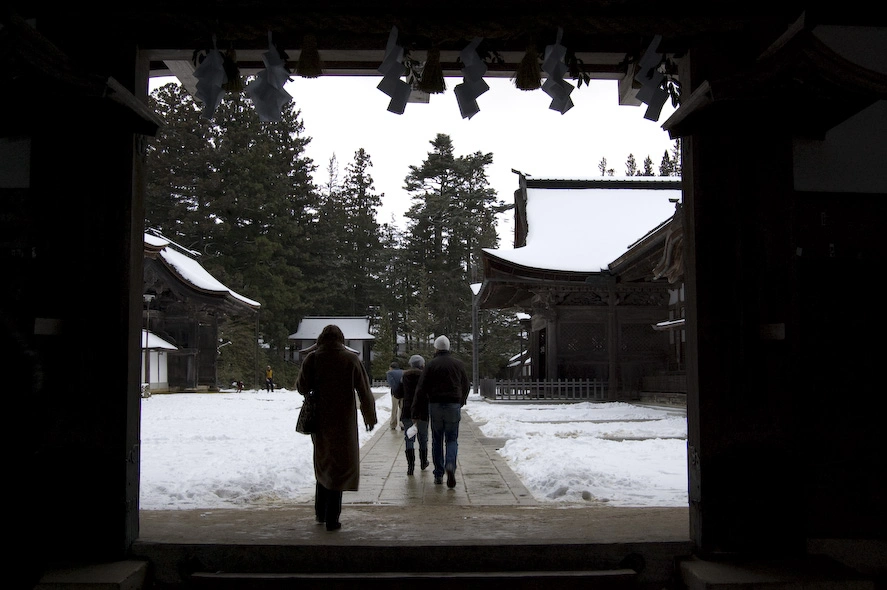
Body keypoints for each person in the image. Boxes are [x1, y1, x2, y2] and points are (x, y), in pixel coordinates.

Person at [295, 324, 377, 531]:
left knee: (323, 461)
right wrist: (369, 417)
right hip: (344, 420)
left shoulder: (312, 359)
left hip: (320, 420)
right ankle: (333, 517)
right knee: (339, 465)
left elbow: (301, 387)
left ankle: (320, 512)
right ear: (341, 339)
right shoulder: (350, 359)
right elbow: (364, 391)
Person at [414, 335, 470, 488]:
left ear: (436, 348)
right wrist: (461, 400)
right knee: (452, 439)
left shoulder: (431, 365)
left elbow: (421, 387)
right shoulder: (458, 364)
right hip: (453, 405)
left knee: (437, 440)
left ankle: (438, 474)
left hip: (436, 404)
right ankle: (450, 464)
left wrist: (417, 408)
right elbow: (466, 384)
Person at [394, 354, 429, 475]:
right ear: (422, 365)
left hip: (408, 410)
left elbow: (397, 393)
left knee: (409, 437)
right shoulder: (425, 377)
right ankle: (423, 461)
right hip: (422, 410)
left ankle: (410, 466)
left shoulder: (404, 377)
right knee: (423, 437)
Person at [386, 361, 404, 430]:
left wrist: (395, 390)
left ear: (391, 367)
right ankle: (402, 424)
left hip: (395, 393)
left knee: (394, 409)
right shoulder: (403, 372)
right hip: (403, 393)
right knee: (402, 408)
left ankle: (393, 424)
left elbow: (391, 383)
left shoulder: (389, 373)